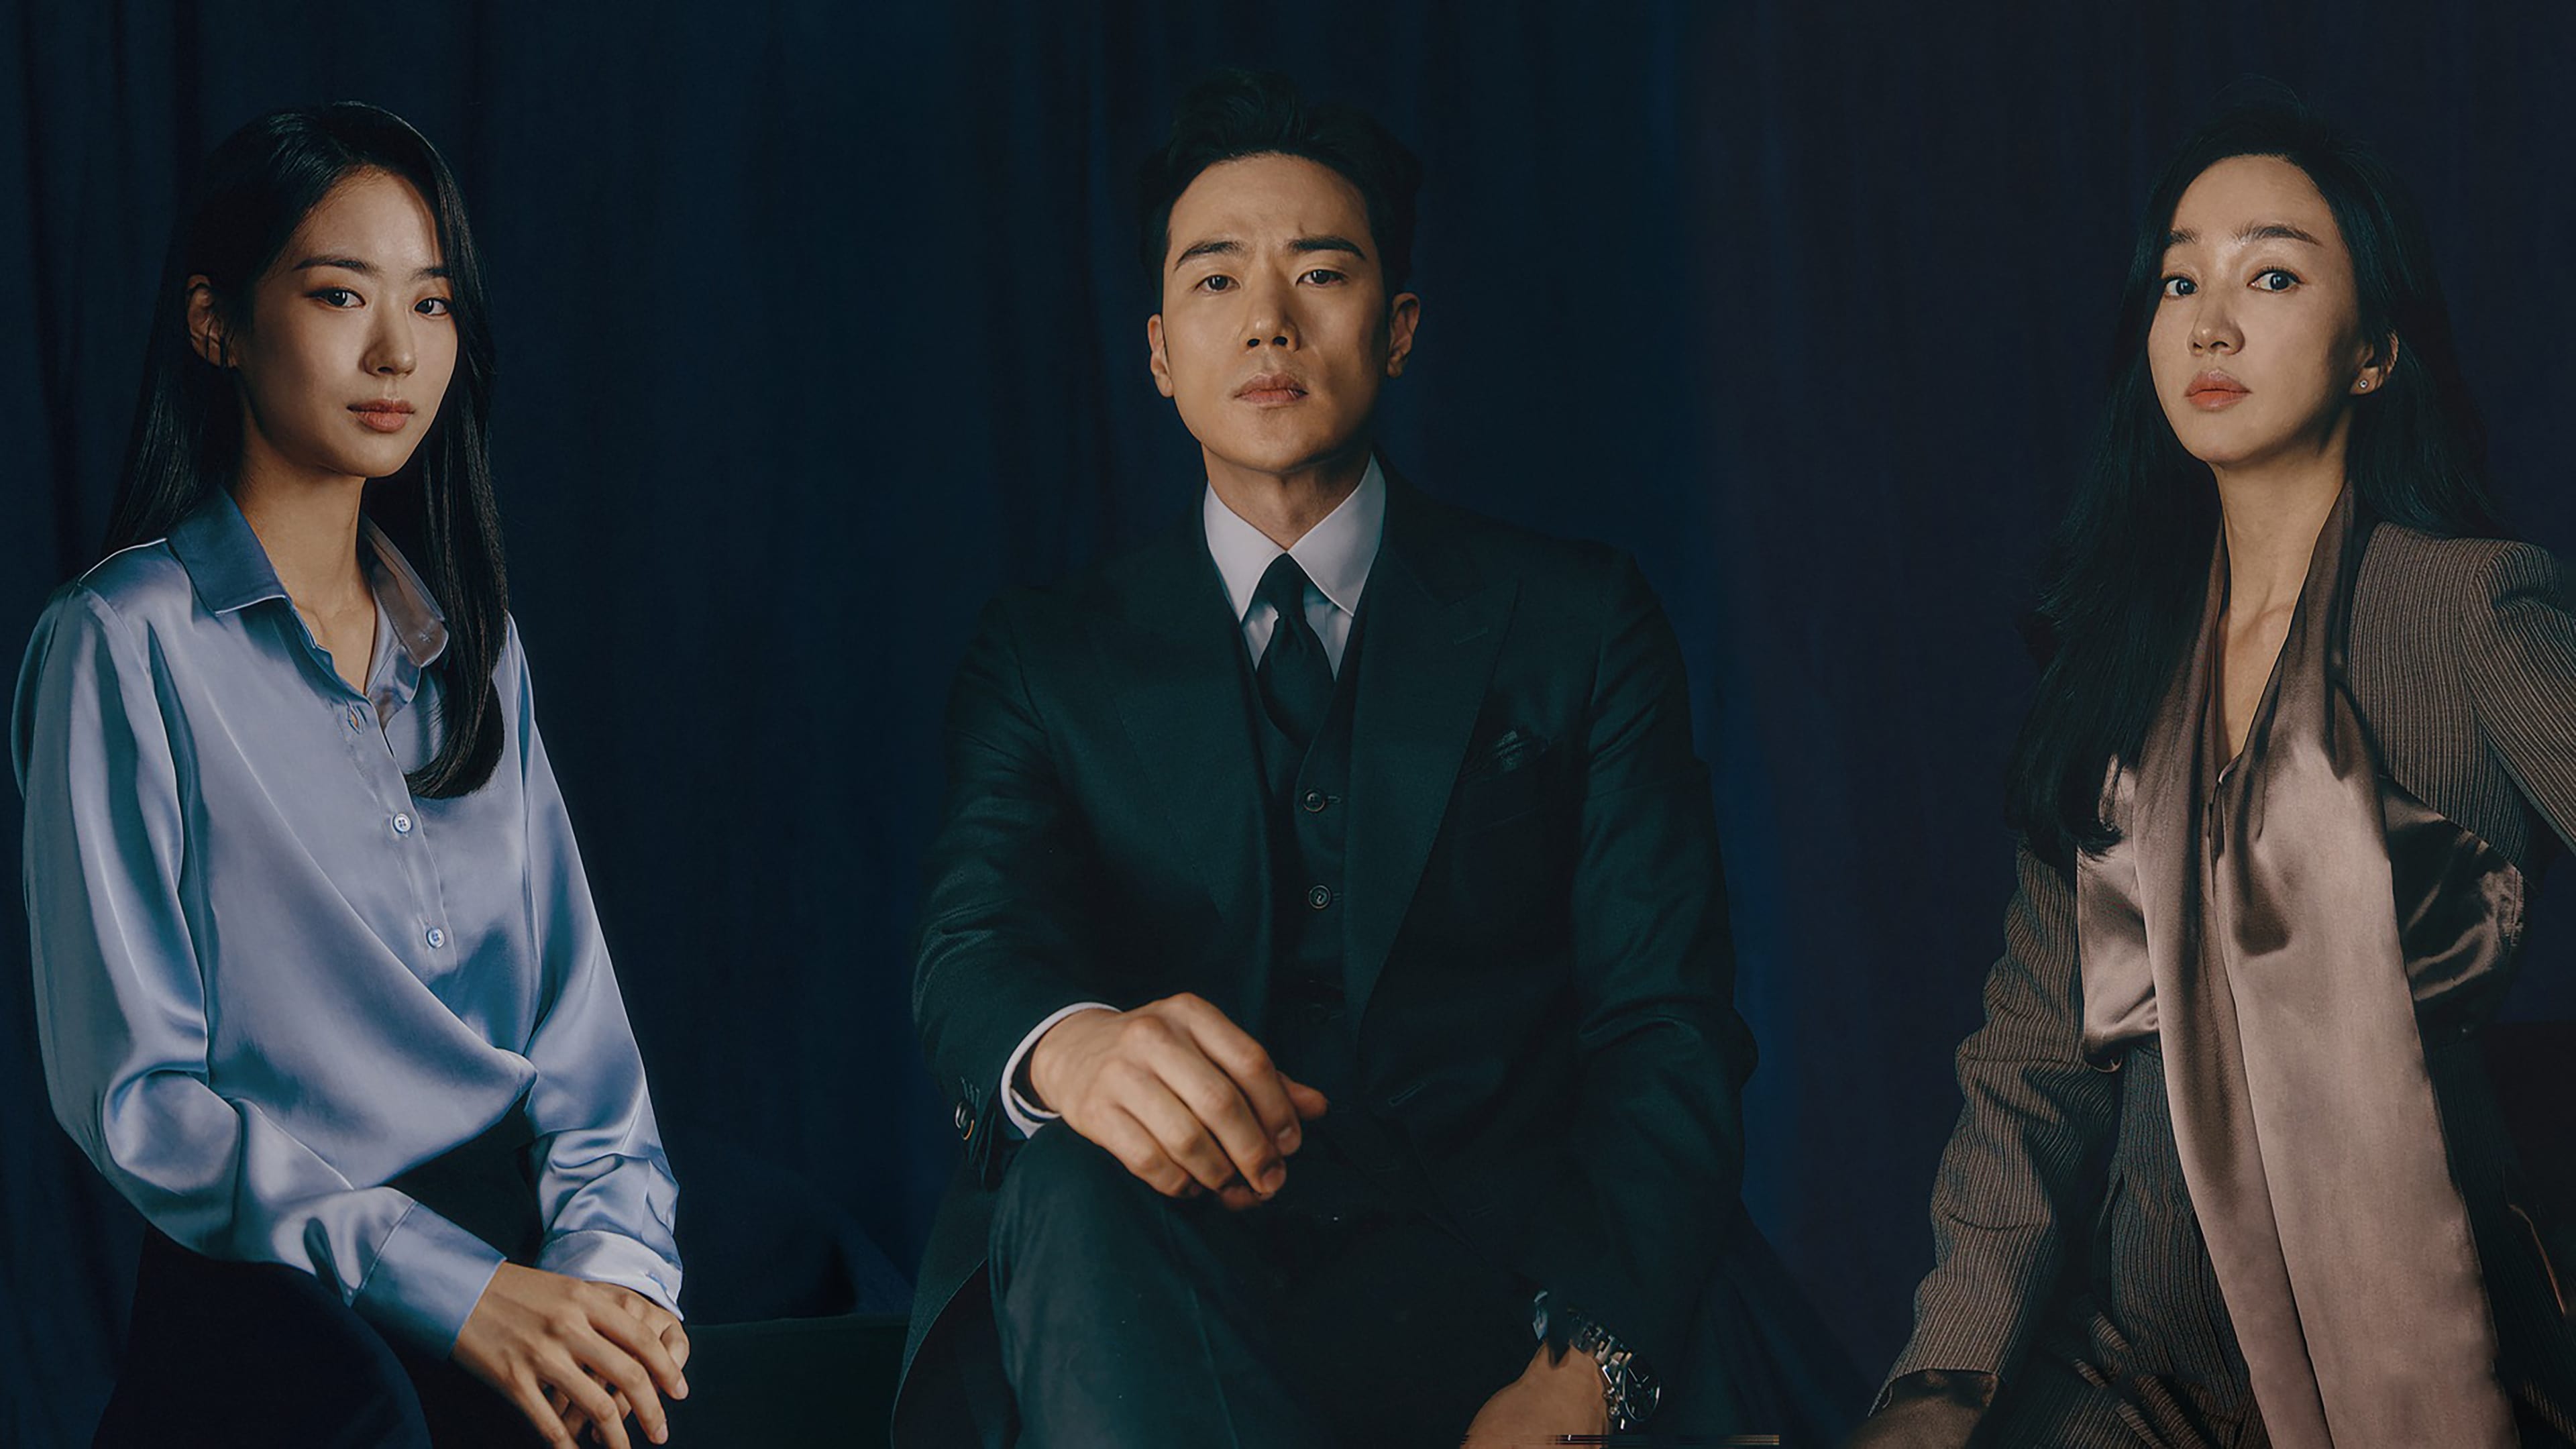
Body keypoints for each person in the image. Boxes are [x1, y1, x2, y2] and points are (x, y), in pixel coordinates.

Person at [894, 69, 1858, 1448]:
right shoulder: (1045, 657)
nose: (1268, 320)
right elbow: (974, 940)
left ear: (1398, 330)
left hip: (1498, 1284)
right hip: (1161, 1284)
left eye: (1320, 273)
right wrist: (1074, 1048)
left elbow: (1665, 1028)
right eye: (1216, 280)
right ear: (1160, 352)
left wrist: (1586, 1369)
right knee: (1066, 1180)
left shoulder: (1578, 622)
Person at [1854, 94, 2576, 1449]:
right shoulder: (2115, 665)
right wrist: (1942, 1381)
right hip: (2133, 1377)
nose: (2211, 324)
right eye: (2181, 280)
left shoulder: (2470, 616)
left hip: (2433, 1363)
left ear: (2375, 353)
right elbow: (2032, 1066)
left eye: (2273, 277)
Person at [14, 103, 690, 1449]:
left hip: (517, 1229)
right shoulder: (121, 643)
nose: (397, 353)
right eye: (340, 295)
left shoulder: (473, 646)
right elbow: (142, 1101)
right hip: (282, 1279)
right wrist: (457, 1289)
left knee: (812, 1311)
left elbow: (585, 1052)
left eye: (431, 303)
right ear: (215, 322)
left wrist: (616, 1278)